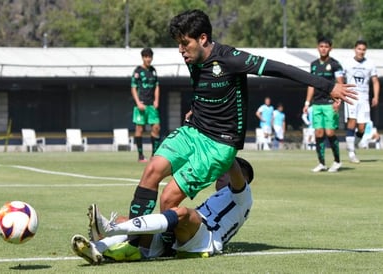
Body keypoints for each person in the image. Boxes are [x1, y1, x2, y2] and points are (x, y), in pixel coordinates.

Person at [126, 9, 356, 249]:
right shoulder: (193, 58)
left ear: (203, 39)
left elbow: (280, 69)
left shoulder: (231, 59)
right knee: (152, 170)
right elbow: (205, 88)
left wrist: (328, 87)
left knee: (168, 198)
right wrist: (196, 107)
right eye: (178, 45)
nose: (181, 50)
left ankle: (162, 249)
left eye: (185, 44)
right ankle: (130, 241)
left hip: (219, 143)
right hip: (193, 130)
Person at [71, 157, 254, 264]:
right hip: (186, 236)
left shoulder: (243, 194)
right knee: (129, 220)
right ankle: (96, 248)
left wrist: (226, 147)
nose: (219, 176)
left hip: (207, 241)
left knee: (184, 213)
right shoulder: (221, 196)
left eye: (224, 173)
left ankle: (108, 230)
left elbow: (235, 172)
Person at [302, 37, 344, 173]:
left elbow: (340, 83)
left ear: (330, 48)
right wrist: (307, 103)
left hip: (330, 103)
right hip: (317, 103)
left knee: (330, 132)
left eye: (326, 46)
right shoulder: (314, 65)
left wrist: (339, 100)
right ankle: (322, 163)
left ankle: (337, 161)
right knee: (319, 133)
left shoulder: (336, 65)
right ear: (317, 47)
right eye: (321, 46)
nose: (323, 49)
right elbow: (311, 85)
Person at [342, 40, 380, 163]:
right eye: (359, 49)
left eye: (363, 49)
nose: (361, 51)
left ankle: (354, 145)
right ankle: (351, 152)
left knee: (362, 127)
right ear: (355, 49)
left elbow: (375, 81)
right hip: (351, 97)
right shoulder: (347, 63)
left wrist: (375, 96)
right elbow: (340, 79)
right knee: (352, 122)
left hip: (364, 99)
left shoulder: (370, 64)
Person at [131, 47, 161, 162]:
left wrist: (156, 100)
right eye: (146, 57)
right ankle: (140, 156)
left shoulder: (153, 70)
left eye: (150, 57)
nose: (148, 59)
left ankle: (154, 155)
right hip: (141, 105)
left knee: (156, 127)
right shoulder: (138, 71)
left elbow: (157, 86)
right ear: (143, 58)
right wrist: (138, 102)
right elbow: (133, 88)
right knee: (139, 129)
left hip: (152, 106)